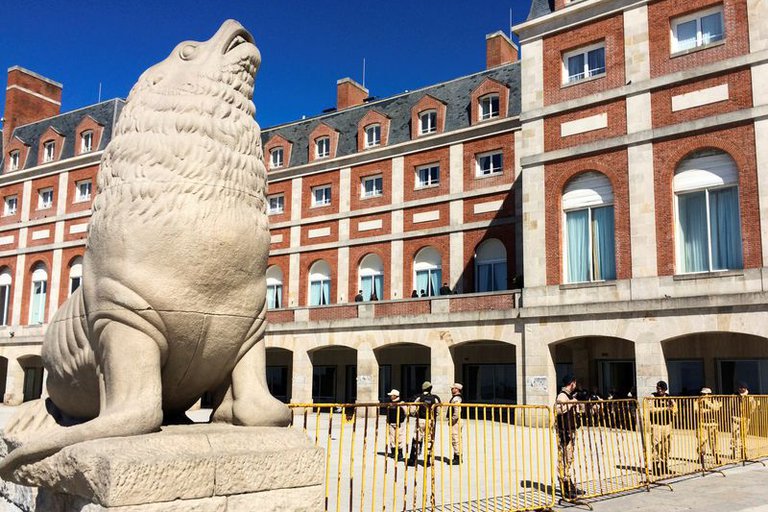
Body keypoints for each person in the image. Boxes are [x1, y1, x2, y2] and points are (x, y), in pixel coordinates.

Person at [555, 374, 583, 500]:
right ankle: (565, 488)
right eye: (575, 383)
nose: (575, 385)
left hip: (570, 432)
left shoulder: (569, 396)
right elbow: (558, 410)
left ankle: (569, 485)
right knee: (564, 460)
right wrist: (571, 403)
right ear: (571, 383)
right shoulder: (562, 396)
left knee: (569, 459)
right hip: (564, 432)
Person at [407, 381, 441, 466]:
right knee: (429, 440)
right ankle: (427, 460)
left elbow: (412, 409)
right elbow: (438, 411)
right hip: (431, 421)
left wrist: (414, 414)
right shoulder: (435, 398)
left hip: (421, 420)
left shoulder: (419, 397)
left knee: (417, 438)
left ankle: (413, 459)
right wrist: (433, 416)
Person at [648, 380, 677, 476]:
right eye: (658, 388)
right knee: (656, 445)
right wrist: (665, 409)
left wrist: (674, 410)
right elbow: (651, 409)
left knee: (666, 445)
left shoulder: (669, 397)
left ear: (665, 389)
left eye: (661, 388)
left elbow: (675, 408)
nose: (659, 390)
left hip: (667, 424)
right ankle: (655, 467)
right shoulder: (653, 396)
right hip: (656, 424)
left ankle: (665, 466)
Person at [731, 381, 757, 460]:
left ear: (745, 389)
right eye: (740, 388)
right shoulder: (734, 396)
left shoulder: (749, 397)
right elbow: (730, 406)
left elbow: (752, 408)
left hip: (745, 418)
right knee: (734, 435)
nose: (741, 390)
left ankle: (743, 452)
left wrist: (748, 401)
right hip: (736, 417)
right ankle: (734, 452)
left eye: (743, 388)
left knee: (744, 436)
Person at [696, 387, 722, 466]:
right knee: (701, 441)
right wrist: (710, 410)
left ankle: (716, 456)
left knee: (714, 442)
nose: (703, 396)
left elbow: (716, 408)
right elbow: (696, 411)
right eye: (702, 394)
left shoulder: (713, 401)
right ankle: (701, 456)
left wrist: (708, 404)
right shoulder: (697, 401)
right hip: (702, 424)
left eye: (705, 394)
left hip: (713, 424)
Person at [384, 389, 406, 461]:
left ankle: (400, 453)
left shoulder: (401, 403)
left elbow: (406, 412)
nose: (390, 396)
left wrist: (403, 418)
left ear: (395, 396)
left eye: (391, 395)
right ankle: (393, 452)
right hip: (391, 423)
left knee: (399, 437)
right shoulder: (389, 403)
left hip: (399, 423)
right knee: (392, 438)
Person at [447, 383, 463, 465]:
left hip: (456, 421)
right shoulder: (456, 397)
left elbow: (457, 411)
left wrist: (452, 420)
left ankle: (457, 457)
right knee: (457, 438)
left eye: (453, 388)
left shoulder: (456, 398)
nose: (451, 389)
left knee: (455, 438)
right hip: (457, 421)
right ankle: (458, 455)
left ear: (457, 389)